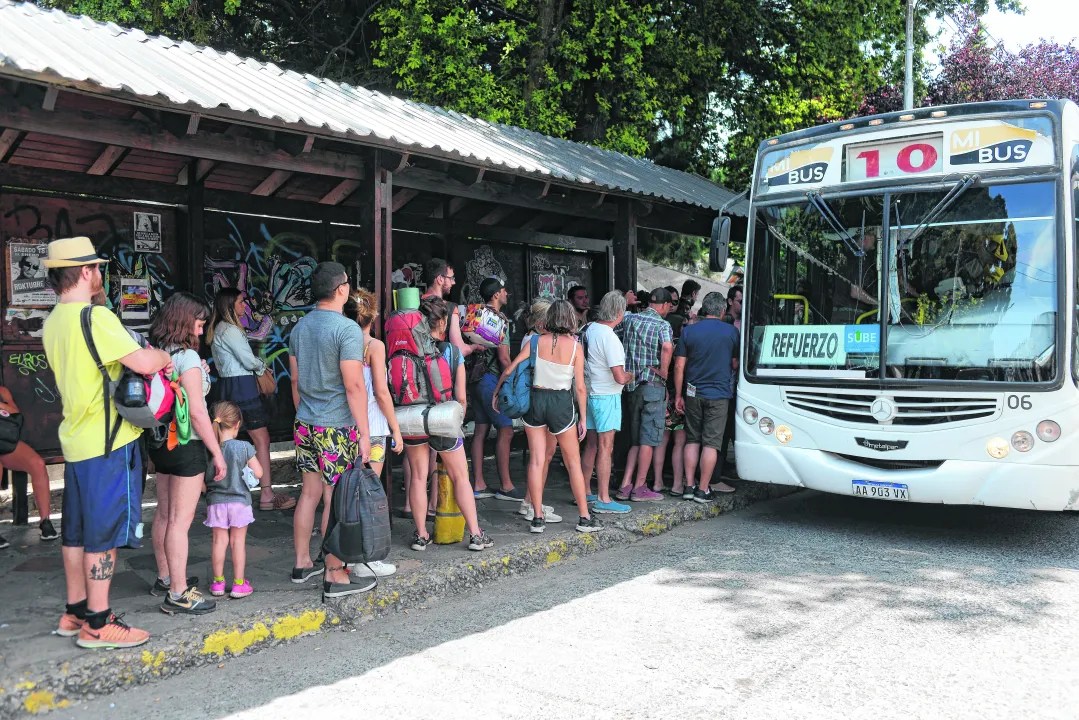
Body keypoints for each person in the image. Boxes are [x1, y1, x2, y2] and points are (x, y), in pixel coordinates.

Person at [43, 236, 172, 649]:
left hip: (76, 442)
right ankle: (98, 624)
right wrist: (166, 356)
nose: (101, 274)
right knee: (103, 534)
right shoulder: (96, 319)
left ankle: (74, 612)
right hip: (108, 445)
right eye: (97, 267)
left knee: (76, 532)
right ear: (84, 272)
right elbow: (143, 362)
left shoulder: (52, 322)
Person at [289, 262, 375, 598]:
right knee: (338, 500)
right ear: (341, 289)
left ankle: (301, 564)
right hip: (336, 426)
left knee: (309, 494)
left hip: (306, 423)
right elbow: (354, 386)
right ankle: (335, 572)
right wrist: (365, 434)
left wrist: (304, 411)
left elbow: (295, 380)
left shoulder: (300, 328)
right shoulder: (347, 330)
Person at [150, 292, 228, 616]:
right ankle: (179, 593)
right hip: (186, 445)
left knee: (164, 514)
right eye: (198, 324)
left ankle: (166, 577)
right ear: (185, 321)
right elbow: (198, 412)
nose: (200, 331)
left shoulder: (157, 352)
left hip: (160, 443)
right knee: (180, 523)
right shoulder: (188, 358)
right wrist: (217, 453)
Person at [495, 300, 601, 534]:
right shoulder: (576, 347)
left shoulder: (535, 341)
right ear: (570, 319)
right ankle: (584, 518)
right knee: (572, 462)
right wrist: (583, 418)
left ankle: (537, 518)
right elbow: (580, 388)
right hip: (561, 403)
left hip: (536, 401)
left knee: (536, 460)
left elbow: (510, 369)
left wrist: (497, 392)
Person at [404, 297, 493, 552]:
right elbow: (462, 398)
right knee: (460, 477)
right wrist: (457, 422)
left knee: (419, 478)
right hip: (444, 419)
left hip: (414, 417)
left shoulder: (408, 350)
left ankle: (421, 535)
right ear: (442, 322)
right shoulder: (453, 352)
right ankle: (476, 535)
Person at [207, 287, 296, 513]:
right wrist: (262, 366)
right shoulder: (231, 330)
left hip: (228, 386)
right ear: (229, 306)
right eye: (239, 302)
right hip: (243, 387)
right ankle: (267, 494)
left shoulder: (219, 329)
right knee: (262, 439)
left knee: (226, 442)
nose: (244, 306)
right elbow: (247, 360)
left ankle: (225, 493)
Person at [342, 290, 403, 581]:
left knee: (346, 494)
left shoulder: (341, 341)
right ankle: (365, 559)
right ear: (373, 315)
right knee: (368, 495)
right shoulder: (373, 346)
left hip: (345, 426)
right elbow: (381, 391)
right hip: (374, 430)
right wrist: (396, 428)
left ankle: (345, 556)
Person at [674, 292, 740, 501]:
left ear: (704, 309)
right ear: (722, 311)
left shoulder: (689, 331)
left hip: (693, 392)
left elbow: (679, 365)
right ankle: (703, 489)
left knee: (692, 439)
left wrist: (678, 394)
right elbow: (735, 363)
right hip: (719, 394)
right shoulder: (731, 332)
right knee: (711, 443)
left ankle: (688, 486)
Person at [615, 288, 674, 502]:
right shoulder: (662, 324)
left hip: (631, 387)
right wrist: (665, 371)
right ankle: (640, 486)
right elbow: (667, 347)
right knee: (649, 440)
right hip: (652, 385)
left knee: (636, 440)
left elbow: (614, 333)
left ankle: (625, 485)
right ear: (665, 305)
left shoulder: (630, 319)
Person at [467, 277, 523, 502]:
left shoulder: (476, 315)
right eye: (503, 291)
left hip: (475, 378)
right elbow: (503, 357)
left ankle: (479, 483)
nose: (506, 293)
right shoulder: (500, 320)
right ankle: (507, 486)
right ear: (496, 295)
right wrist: (511, 380)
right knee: (506, 430)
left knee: (480, 430)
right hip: (491, 379)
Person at [580, 292, 631, 514]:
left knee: (591, 445)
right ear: (619, 312)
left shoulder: (588, 328)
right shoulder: (610, 337)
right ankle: (604, 498)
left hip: (589, 393)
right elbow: (619, 377)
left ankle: (583, 492)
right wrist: (632, 375)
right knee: (605, 447)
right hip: (607, 396)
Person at [204, 401, 260, 599]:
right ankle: (238, 584)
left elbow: (203, 482)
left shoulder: (210, 449)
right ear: (237, 424)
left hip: (216, 501)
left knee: (219, 542)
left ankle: (218, 583)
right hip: (240, 503)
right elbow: (259, 472)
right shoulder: (244, 447)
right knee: (238, 542)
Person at [0, 385, 56, 542]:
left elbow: (15, 412)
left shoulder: (2, 391)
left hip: (5, 441)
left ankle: (45, 521)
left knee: (37, 463)